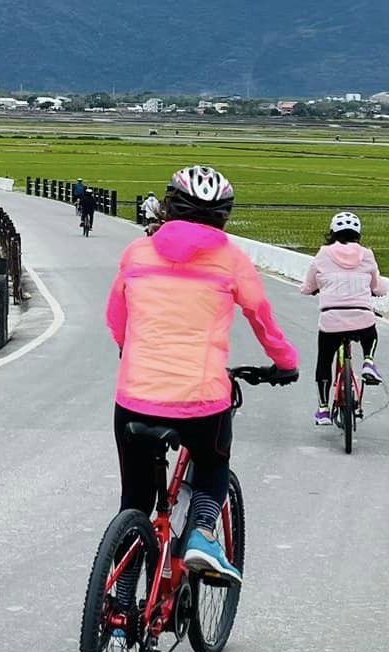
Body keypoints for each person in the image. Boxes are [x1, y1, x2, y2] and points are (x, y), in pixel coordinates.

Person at [105, 166, 299, 588]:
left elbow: (116, 318)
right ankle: (203, 534)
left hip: (135, 396)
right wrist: (285, 362)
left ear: (169, 207)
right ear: (223, 217)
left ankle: (122, 599)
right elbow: (262, 318)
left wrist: (130, 350)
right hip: (201, 400)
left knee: (134, 500)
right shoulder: (232, 259)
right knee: (212, 467)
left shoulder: (137, 252)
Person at [298, 211, 388, 424]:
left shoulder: (323, 254)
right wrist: (376, 290)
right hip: (361, 315)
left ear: (332, 233)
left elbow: (308, 286)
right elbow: (378, 286)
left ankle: (323, 409)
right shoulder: (367, 254)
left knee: (324, 360)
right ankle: (368, 361)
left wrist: (312, 289)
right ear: (358, 234)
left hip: (331, 320)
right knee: (370, 332)